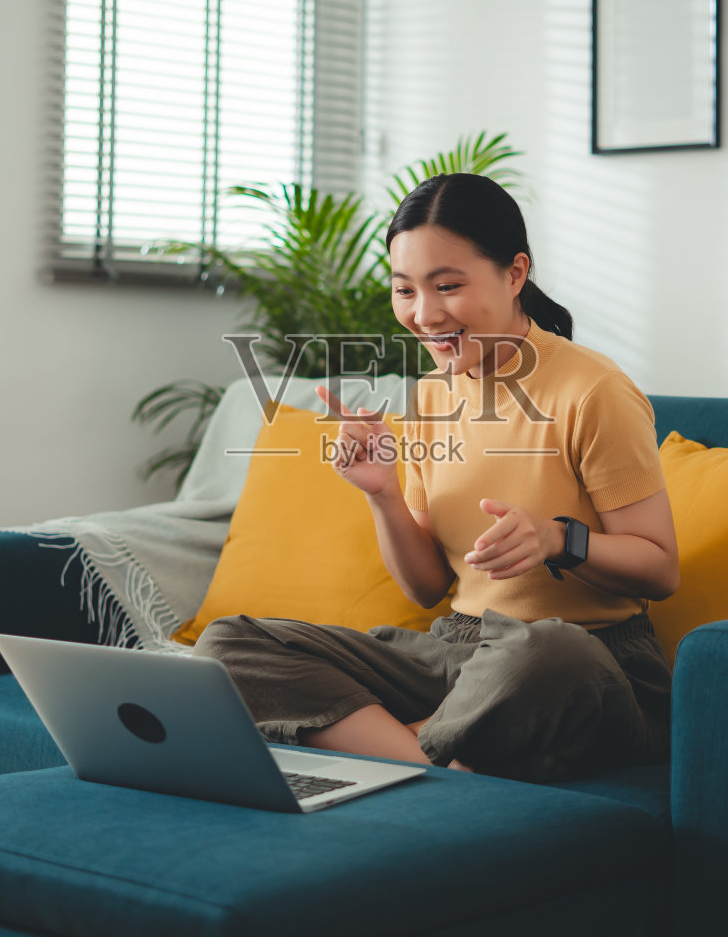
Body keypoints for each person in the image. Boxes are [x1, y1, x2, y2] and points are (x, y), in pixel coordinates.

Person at [192, 172, 679, 783]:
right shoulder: (429, 399)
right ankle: (433, 767)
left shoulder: (593, 390)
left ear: (515, 274)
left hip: (587, 658)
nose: (424, 315)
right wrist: (384, 495)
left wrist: (560, 540)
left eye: (447, 286)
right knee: (230, 645)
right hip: (457, 650)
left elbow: (660, 568)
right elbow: (425, 589)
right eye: (405, 291)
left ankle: (406, 752)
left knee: (546, 651)